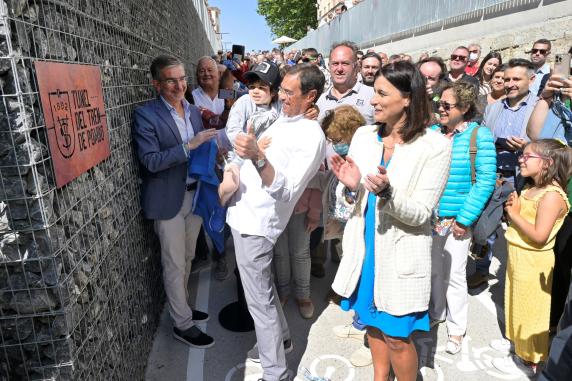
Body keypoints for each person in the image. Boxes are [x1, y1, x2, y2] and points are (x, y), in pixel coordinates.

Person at [331, 61, 452, 381]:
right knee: (371, 324)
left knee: (398, 338)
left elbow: (422, 213)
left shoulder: (435, 145)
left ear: (408, 98)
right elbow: (354, 198)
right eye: (374, 93)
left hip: (400, 254)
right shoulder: (363, 135)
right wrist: (351, 184)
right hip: (364, 248)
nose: (372, 100)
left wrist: (388, 194)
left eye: (382, 94)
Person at [226, 64, 326, 381]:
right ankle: (282, 341)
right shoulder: (283, 119)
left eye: (288, 92)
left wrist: (256, 156)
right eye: (280, 89)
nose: (280, 96)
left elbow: (286, 190)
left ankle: (275, 373)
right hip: (243, 215)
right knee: (264, 292)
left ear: (311, 96)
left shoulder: (311, 135)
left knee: (260, 305)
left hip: (258, 224)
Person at [132, 55, 218, 348]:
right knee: (173, 264)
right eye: (171, 80)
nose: (180, 85)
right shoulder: (145, 115)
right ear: (157, 84)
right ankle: (182, 324)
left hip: (195, 198)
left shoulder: (193, 112)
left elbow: (200, 153)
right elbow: (150, 161)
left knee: (188, 259)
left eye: (182, 78)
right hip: (168, 202)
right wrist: (188, 146)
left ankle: (181, 307)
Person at [491, 139, 571, 377]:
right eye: (522, 155)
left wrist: (513, 214)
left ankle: (529, 359)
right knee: (517, 303)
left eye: (528, 157)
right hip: (519, 255)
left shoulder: (551, 195)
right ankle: (518, 344)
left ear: (547, 163)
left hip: (533, 260)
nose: (520, 159)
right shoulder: (532, 187)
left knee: (532, 311)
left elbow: (539, 235)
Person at [428, 82, 497, 354]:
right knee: (434, 269)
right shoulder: (433, 132)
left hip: (456, 217)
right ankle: (436, 312)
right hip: (430, 217)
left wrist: (464, 219)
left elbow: (485, 181)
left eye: (447, 105)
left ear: (465, 108)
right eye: (439, 104)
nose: (440, 109)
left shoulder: (479, 135)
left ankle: (456, 329)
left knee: (455, 274)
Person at [467, 58, 540, 288]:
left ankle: (521, 278)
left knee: (522, 228)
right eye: (507, 79)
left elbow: (547, 143)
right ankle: (481, 269)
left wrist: (525, 146)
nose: (510, 84)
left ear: (532, 79)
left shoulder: (540, 107)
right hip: (495, 175)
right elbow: (484, 138)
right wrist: (496, 143)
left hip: (524, 178)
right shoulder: (494, 107)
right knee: (485, 228)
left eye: (516, 79)